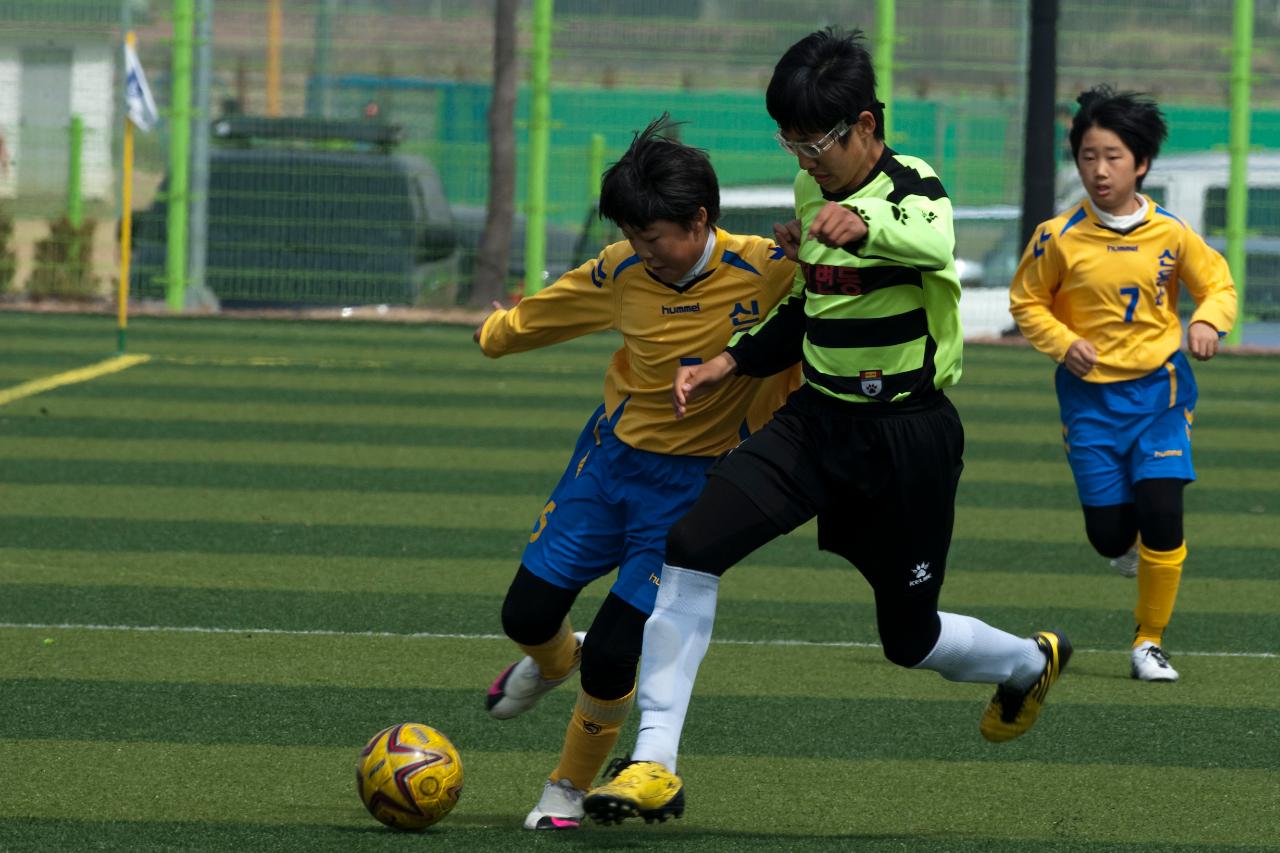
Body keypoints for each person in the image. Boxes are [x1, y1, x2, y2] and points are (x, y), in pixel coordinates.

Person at [582, 26, 1072, 826]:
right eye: (793, 142)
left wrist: (866, 228)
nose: (805, 159)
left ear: (867, 129)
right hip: (815, 421)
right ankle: (652, 761)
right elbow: (809, 302)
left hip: (907, 439)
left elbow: (934, 239)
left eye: (817, 143)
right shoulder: (814, 192)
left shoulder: (913, 186)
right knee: (690, 545)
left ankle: (1027, 660)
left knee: (908, 639)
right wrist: (728, 363)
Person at [474, 114, 800, 830]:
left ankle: (565, 787)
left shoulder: (769, 268)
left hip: (693, 491)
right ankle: (554, 660)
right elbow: (553, 309)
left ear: (699, 220)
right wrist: (496, 333)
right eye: (631, 235)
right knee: (525, 615)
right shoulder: (621, 268)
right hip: (610, 465)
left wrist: (820, 256)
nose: (640, 250)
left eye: (652, 237)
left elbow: (837, 300)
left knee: (617, 652)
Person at [1008, 86, 1236, 682]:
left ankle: (1148, 643)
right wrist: (1064, 343)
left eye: (1112, 156)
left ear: (1140, 163)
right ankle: (1127, 547)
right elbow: (1027, 302)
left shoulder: (1172, 234)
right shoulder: (1056, 236)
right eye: (1088, 156)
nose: (1099, 170)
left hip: (1161, 393)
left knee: (1164, 508)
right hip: (1089, 403)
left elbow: (1218, 285)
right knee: (1109, 536)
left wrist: (1208, 322)